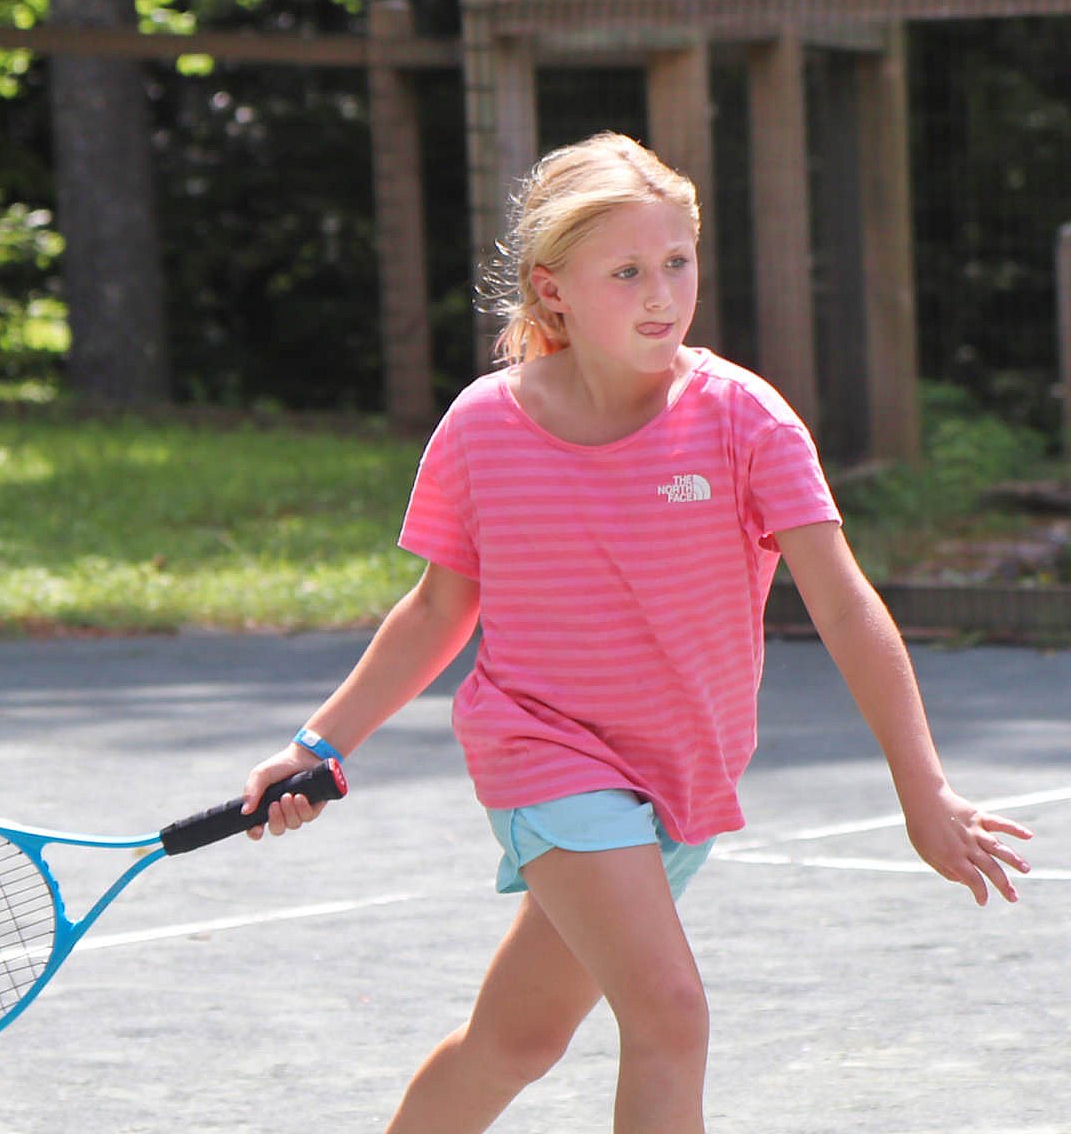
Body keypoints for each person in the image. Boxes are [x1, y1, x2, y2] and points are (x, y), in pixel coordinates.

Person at [240, 131, 1034, 1134]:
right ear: (553, 288)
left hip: (685, 774)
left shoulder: (746, 421)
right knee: (671, 1014)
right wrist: (319, 744)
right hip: (545, 753)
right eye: (626, 272)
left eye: (677, 263)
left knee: (513, 1044)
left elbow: (844, 604)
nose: (662, 294)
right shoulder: (484, 427)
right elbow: (441, 609)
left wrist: (926, 794)